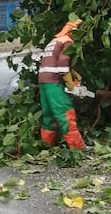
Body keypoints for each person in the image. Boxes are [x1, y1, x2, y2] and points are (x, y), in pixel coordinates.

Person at [38, 18, 87, 150]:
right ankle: (77, 148)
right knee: (66, 113)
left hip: (44, 81)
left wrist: (76, 75)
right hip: (53, 81)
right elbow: (62, 65)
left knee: (49, 115)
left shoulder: (55, 41)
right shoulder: (68, 41)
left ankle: (47, 145)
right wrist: (71, 85)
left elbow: (55, 62)